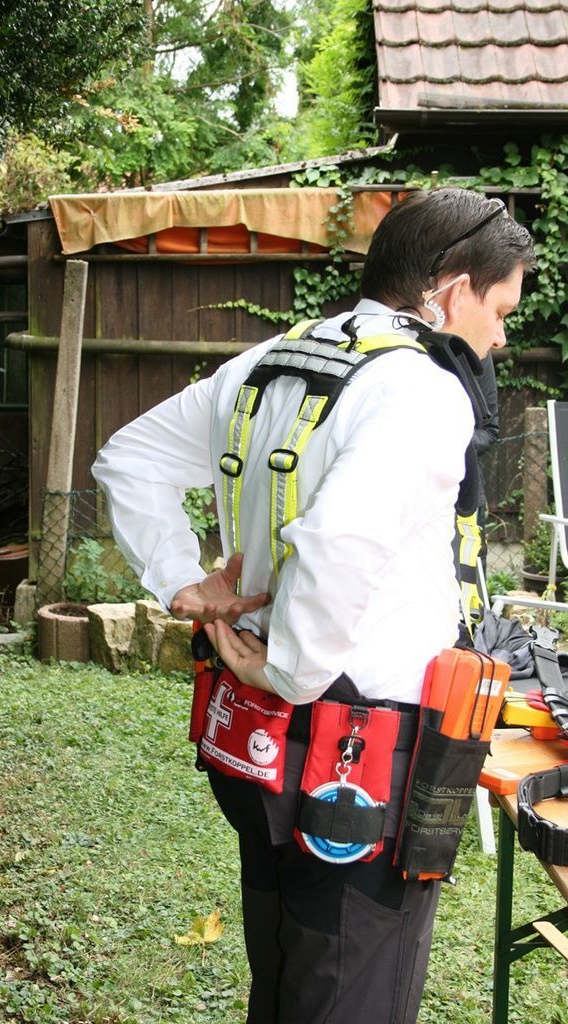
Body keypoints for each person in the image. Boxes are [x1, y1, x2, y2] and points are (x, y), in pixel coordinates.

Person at [92, 188, 536, 1024]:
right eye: (500, 310)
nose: (500, 337)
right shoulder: (419, 389)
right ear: (450, 289)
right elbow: (337, 540)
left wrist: (179, 576)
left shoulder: (268, 360)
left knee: (286, 967)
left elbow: (128, 457)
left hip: (258, 744)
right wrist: (294, 669)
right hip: (357, 754)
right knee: (346, 988)